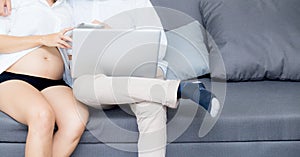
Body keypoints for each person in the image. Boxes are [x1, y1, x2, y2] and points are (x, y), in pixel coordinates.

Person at [1, 0, 221, 157]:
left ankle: (170, 90)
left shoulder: (131, 2)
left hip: (136, 72)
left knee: (146, 103)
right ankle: (178, 90)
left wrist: (113, 35)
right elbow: (69, 53)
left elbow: (158, 43)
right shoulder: (68, 6)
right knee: (75, 93)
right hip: (90, 78)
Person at [0, 0, 89, 157]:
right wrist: (42, 39)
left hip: (54, 83)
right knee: (42, 115)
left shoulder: (68, 7)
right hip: (13, 78)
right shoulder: (14, 2)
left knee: (76, 120)